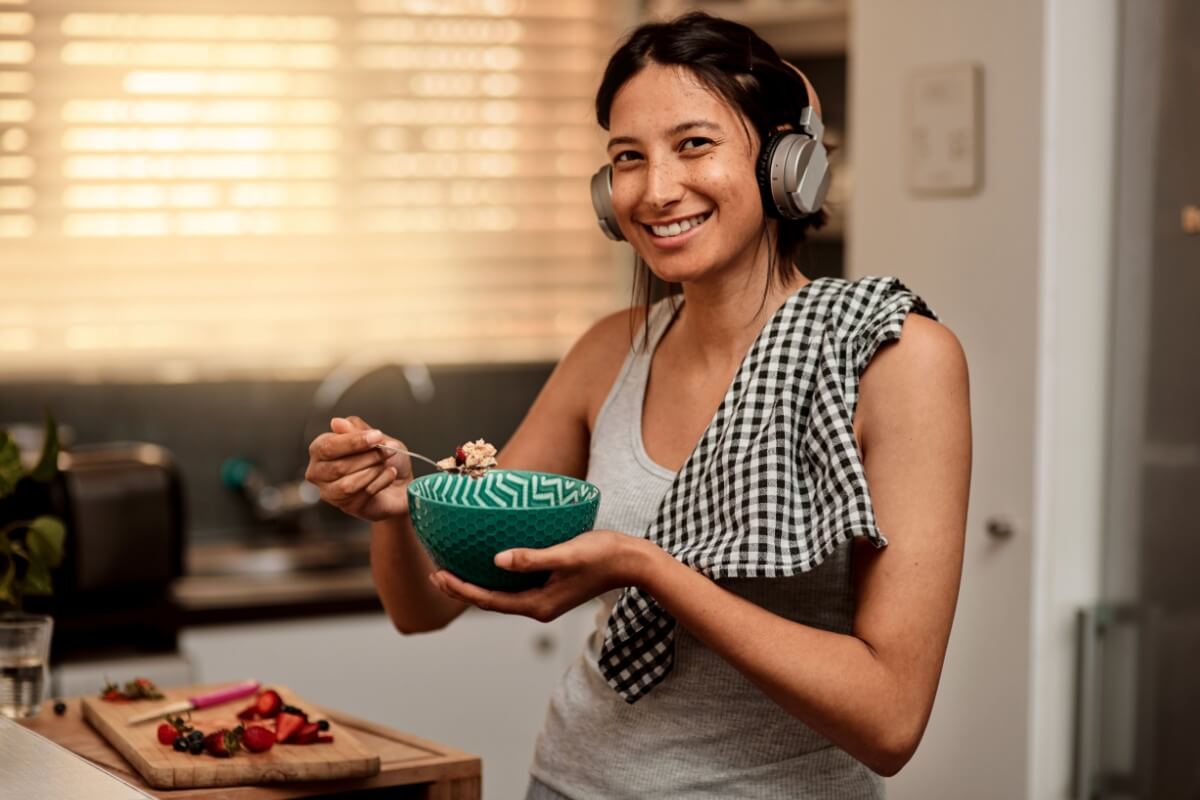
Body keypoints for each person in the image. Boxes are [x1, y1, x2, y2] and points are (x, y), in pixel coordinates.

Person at [305, 12, 971, 799]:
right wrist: (397, 513)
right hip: (567, 781)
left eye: (694, 144)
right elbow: (426, 608)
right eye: (628, 158)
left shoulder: (894, 359)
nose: (655, 191)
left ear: (788, 165)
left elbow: (890, 721)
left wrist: (646, 568)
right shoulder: (608, 352)